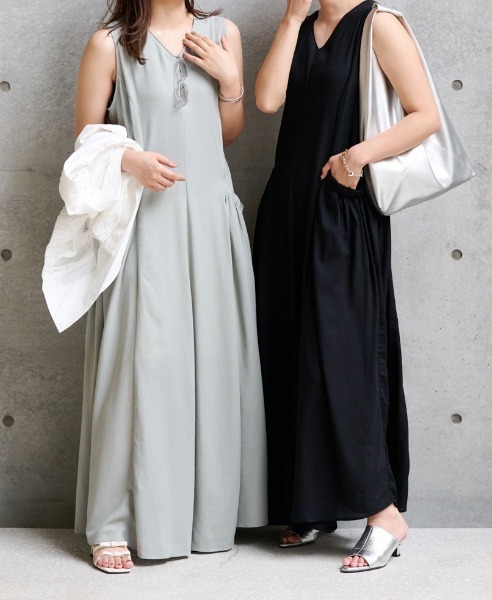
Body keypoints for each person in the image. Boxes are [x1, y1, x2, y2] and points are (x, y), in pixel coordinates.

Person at [73, 0, 267, 573]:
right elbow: (85, 143)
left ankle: (204, 518)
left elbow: (225, 134)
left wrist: (231, 83)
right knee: (140, 367)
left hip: (209, 219)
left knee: (211, 365)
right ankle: (114, 524)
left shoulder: (223, 33)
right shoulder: (109, 45)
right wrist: (129, 161)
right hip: (146, 223)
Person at [253, 0, 440, 572]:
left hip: (343, 207)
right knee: (289, 353)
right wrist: (290, 19)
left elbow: (425, 116)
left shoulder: (379, 23)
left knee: (343, 360)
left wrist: (356, 157)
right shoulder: (304, 25)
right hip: (287, 207)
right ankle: (312, 505)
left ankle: (384, 513)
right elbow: (267, 100)